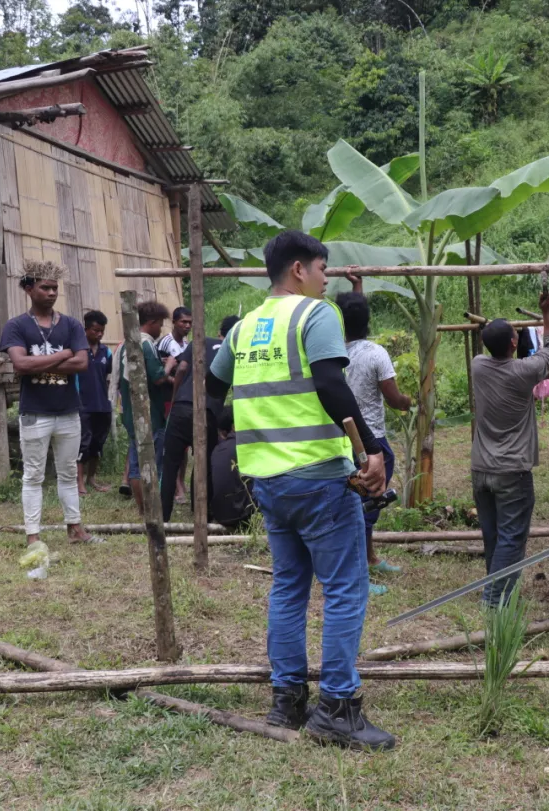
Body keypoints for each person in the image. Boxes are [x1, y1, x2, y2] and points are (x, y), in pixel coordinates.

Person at [205, 230, 393, 750]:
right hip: (317, 477)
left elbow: (213, 387)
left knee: (289, 586)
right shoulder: (316, 316)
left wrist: (241, 429)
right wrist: (371, 446)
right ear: (297, 270)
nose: (327, 278)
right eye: (322, 269)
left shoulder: (245, 327)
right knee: (344, 587)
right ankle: (337, 705)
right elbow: (333, 385)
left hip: (267, 478)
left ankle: (287, 699)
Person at [471, 295, 549, 607]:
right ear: (515, 343)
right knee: (512, 537)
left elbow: (524, 373)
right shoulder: (525, 370)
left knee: (493, 535)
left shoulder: (478, 365)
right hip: (511, 471)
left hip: (481, 469)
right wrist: (546, 313)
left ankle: (496, 592)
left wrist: (542, 375)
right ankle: (494, 599)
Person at [0, 260, 101, 545]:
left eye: (55, 288)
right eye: (45, 288)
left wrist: (40, 363)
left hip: (68, 411)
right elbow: (20, 364)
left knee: (68, 473)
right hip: (35, 412)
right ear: (29, 289)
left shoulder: (69, 324)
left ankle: (76, 529)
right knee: (33, 476)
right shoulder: (16, 326)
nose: (52, 293)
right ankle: (33, 536)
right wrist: (63, 354)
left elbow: (82, 363)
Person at [337, 276, 412, 596]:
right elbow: (394, 399)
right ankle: (359, 576)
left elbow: (353, 314)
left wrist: (358, 288)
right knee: (365, 508)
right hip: (372, 443)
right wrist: (409, 401)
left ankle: (369, 558)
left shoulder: (333, 352)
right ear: (369, 321)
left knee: (361, 502)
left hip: (341, 439)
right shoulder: (375, 353)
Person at [160, 314, 238, 522]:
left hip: (182, 408)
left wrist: (175, 400)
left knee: (170, 464)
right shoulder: (234, 351)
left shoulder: (200, 341)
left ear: (220, 331)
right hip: (207, 413)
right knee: (204, 464)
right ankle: (201, 511)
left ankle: (163, 517)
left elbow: (182, 368)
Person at [117, 300, 172, 515]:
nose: (160, 329)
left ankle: (142, 510)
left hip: (130, 413)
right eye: (160, 324)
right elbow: (158, 377)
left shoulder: (124, 344)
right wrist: (170, 364)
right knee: (152, 463)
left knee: (135, 463)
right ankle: (151, 509)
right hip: (149, 415)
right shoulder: (145, 343)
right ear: (151, 322)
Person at [76, 310, 113, 496]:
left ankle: (91, 479)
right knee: (83, 443)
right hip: (82, 404)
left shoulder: (106, 351)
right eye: (95, 330)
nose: (99, 334)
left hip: (102, 405)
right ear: (86, 329)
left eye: (101, 331)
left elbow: (107, 376)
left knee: (97, 444)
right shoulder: (77, 350)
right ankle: (79, 483)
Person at [158, 306, 193, 502]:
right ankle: (177, 487)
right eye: (183, 322)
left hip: (183, 399)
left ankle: (182, 482)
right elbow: (162, 374)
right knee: (172, 443)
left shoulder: (186, 343)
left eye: (190, 322)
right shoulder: (165, 344)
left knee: (184, 444)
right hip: (168, 399)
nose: (187, 326)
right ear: (174, 322)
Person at [209, 406, 255, 529]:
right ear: (235, 425)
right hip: (242, 515)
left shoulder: (217, 450)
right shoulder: (245, 446)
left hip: (220, 514)